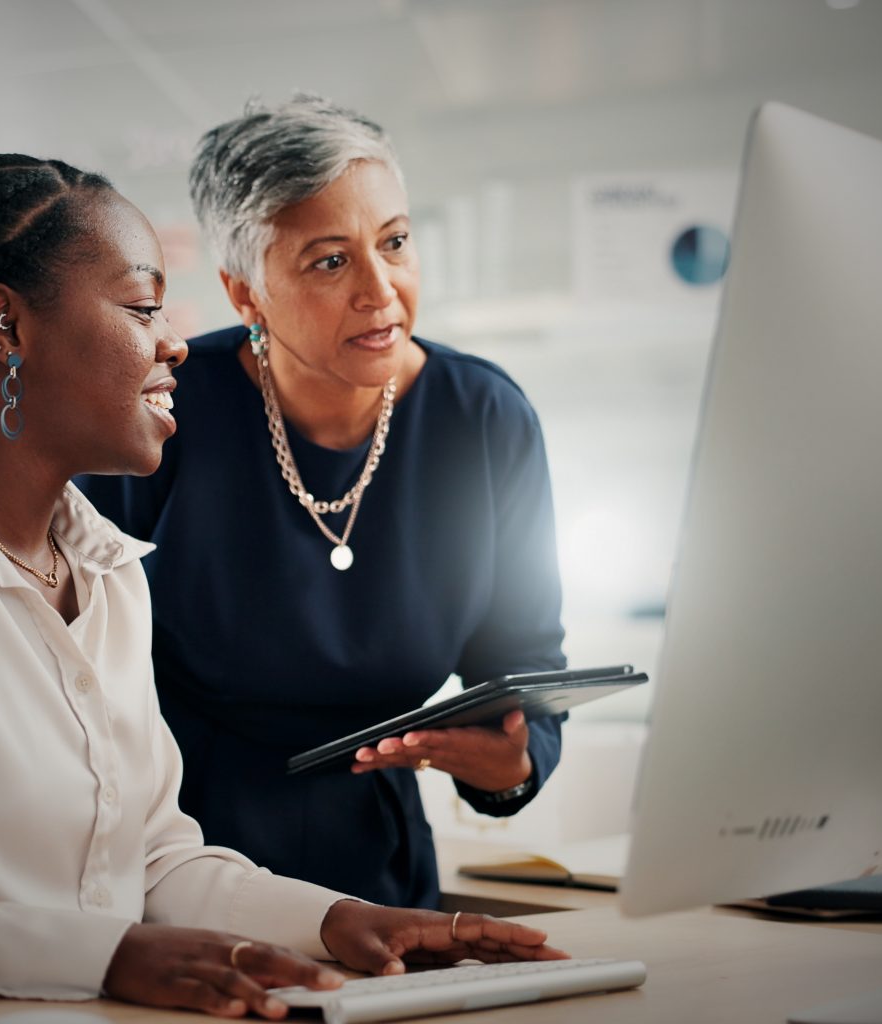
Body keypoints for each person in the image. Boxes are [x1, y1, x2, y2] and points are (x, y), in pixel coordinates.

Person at [0, 154, 567, 1017]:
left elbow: (154, 858)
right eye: (141, 306)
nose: (173, 343)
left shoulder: (107, 566)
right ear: (5, 326)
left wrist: (340, 919)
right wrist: (106, 955)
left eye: (395, 242)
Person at [78, 95, 569, 910]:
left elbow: (525, 668)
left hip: (381, 865)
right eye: (330, 261)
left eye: (397, 243)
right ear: (245, 293)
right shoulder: (161, 408)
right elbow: (77, 669)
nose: (382, 291)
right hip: (177, 862)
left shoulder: (484, 417)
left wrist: (513, 765)